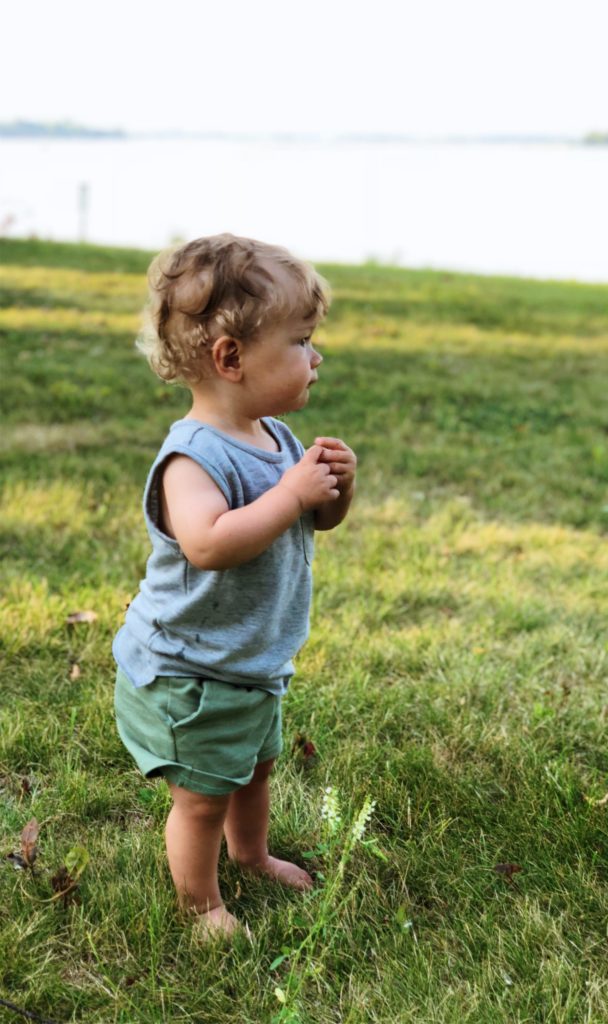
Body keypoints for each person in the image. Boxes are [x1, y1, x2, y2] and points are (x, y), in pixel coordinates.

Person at [112, 233, 356, 939]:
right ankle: (201, 907)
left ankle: (251, 856)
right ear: (231, 358)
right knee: (200, 799)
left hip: (248, 662)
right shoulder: (191, 457)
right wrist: (291, 493)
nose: (316, 359)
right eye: (302, 342)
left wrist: (336, 488)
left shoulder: (274, 436)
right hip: (190, 671)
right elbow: (210, 543)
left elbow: (317, 521)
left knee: (254, 770)